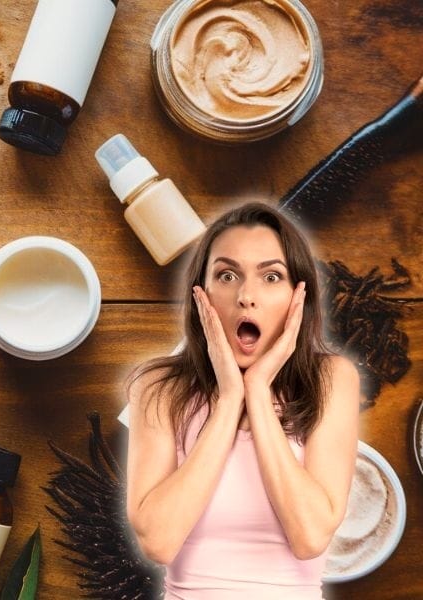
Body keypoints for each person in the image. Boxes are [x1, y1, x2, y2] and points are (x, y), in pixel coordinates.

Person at [126, 202, 359, 599]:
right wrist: (230, 398)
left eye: (271, 276)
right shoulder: (157, 387)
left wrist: (258, 390)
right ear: (202, 294)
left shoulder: (331, 379)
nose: (246, 296)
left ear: (297, 296)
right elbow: (159, 542)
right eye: (227, 275)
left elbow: (310, 536)